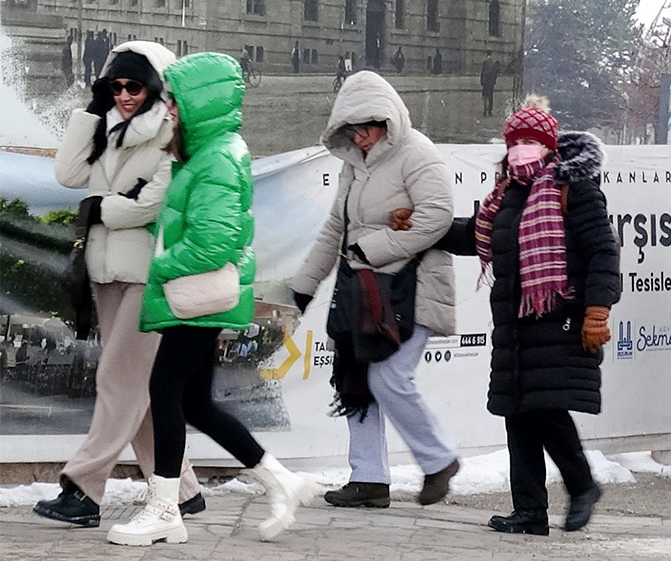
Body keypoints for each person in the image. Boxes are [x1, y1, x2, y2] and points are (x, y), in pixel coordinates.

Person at [105, 52, 316, 546]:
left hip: (194, 295)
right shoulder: (205, 151)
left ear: (200, 101)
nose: (169, 108)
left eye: (175, 99)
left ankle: (164, 508)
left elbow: (213, 241)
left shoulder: (219, 156)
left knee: (165, 391)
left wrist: (158, 266)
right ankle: (280, 481)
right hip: (196, 296)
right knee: (193, 401)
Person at [35, 41, 205, 529]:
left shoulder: (170, 131)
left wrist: (98, 208)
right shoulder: (106, 127)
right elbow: (68, 174)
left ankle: (84, 489)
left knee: (116, 381)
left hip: (149, 274)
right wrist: (90, 113)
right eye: (116, 86)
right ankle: (183, 490)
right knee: (137, 389)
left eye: (134, 86)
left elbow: (152, 205)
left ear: (155, 87)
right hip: (105, 271)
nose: (125, 95)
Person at [434, 96, 620, 535]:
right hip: (516, 324)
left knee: (547, 409)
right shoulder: (506, 194)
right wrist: (424, 228)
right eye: (515, 142)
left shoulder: (574, 188)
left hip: (560, 318)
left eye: (530, 142)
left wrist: (597, 310)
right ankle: (530, 511)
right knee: (518, 414)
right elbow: (477, 235)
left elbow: (603, 252)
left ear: (549, 146)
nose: (521, 149)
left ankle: (583, 486)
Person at [290, 71, 461, 510]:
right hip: (364, 291)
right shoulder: (353, 165)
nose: (361, 138)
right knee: (356, 381)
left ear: (388, 120)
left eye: (368, 128)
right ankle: (368, 477)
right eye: (352, 130)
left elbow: (437, 217)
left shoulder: (418, 153)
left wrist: (372, 248)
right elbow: (335, 229)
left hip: (413, 289)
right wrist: (304, 287)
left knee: (388, 377)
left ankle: (439, 460)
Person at [480, 52, 499, 117]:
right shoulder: (493, 63)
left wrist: (481, 80)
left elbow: (482, 72)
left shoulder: (484, 62)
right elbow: (495, 73)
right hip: (491, 82)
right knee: (490, 96)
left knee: (485, 96)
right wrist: (494, 81)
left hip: (485, 81)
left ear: (487, 55)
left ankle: (485, 110)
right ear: (491, 55)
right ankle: (490, 111)